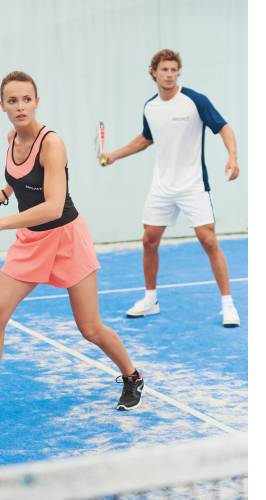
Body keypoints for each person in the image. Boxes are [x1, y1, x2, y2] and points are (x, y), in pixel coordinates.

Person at [0, 71, 144, 434]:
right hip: (31, 241)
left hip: (67, 238)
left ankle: (132, 376)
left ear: (37, 102)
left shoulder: (52, 144)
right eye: (12, 101)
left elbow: (54, 206)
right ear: (2, 106)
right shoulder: (12, 138)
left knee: (90, 328)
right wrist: (2, 195)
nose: (20, 106)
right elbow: (19, 178)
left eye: (27, 99)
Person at [100, 49, 241, 327]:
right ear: (154, 72)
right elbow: (146, 138)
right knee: (149, 241)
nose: (169, 74)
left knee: (209, 241)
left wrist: (233, 156)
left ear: (178, 72)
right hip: (162, 187)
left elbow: (223, 127)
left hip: (193, 185)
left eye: (174, 70)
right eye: (164, 69)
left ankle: (228, 304)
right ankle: (150, 300)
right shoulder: (150, 107)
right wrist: (114, 154)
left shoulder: (195, 101)